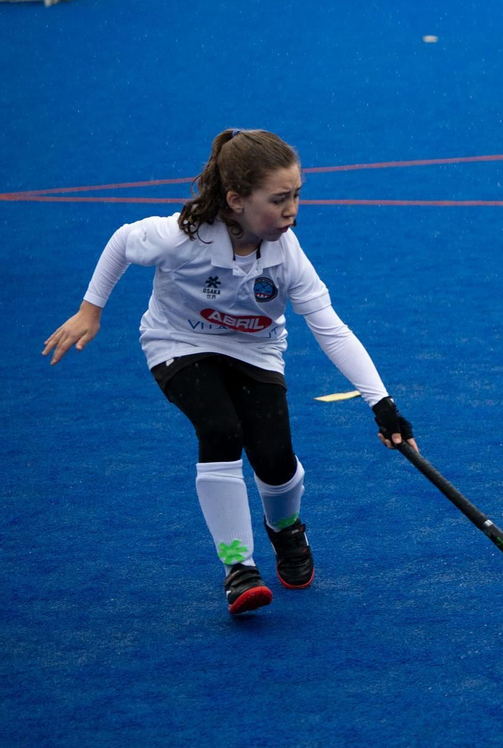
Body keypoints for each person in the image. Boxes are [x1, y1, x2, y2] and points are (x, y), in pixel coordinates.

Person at [41, 130, 417, 617]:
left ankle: (286, 530)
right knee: (220, 429)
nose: (292, 211)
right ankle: (237, 566)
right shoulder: (181, 237)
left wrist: (383, 406)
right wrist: (90, 310)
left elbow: (332, 331)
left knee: (275, 460)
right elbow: (121, 242)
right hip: (178, 343)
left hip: (255, 349)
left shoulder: (287, 257)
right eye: (279, 199)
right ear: (236, 200)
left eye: (297, 195)